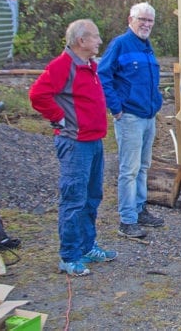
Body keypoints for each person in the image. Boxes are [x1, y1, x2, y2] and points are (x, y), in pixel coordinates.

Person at [29, 19, 117, 277]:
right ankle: (69, 256)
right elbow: (37, 95)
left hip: (93, 140)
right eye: (96, 37)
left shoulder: (88, 65)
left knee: (92, 197)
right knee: (74, 198)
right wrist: (59, 117)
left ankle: (87, 247)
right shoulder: (62, 66)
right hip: (75, 143)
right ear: (82, 41)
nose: (100, 42)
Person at [98, 2, 164, 240]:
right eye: (142, 20)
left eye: (150, 21)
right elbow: (103, 75)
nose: (146, 24)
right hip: (130, 117)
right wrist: (115, 108)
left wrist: (157, 101)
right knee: (129, 170)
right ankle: (127, 220)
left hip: (147, 116)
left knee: (143, 166)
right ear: (130, 20)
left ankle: (139, 208)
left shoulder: (147, 47)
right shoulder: (120, 44)